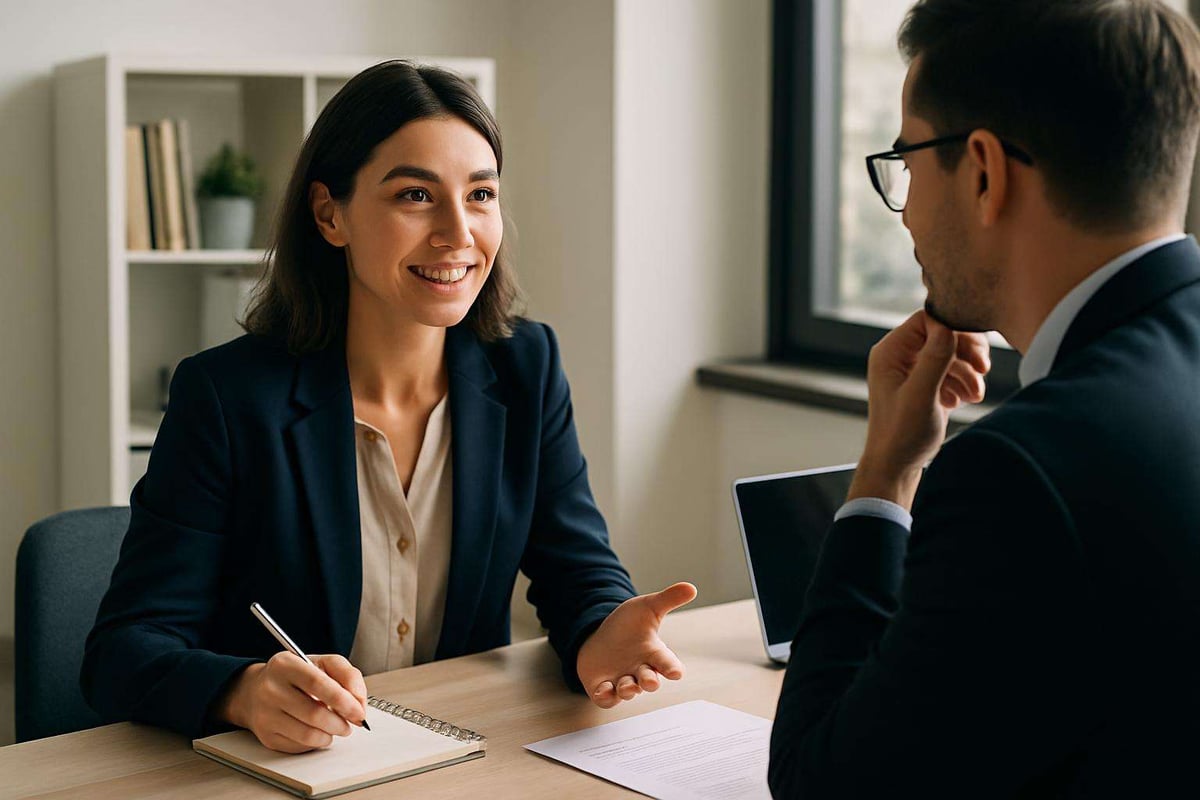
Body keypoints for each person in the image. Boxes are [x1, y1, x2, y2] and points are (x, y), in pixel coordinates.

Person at [82, 60, 697, 753]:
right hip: (279, 771)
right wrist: (241, 691)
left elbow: (576, 568)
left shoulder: (526, 367)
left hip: (460, 755)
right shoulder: (226, 398)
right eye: (415, 195)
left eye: (481, 194)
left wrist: (601, 628)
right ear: (329, 214)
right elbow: (123, 652)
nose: (458, 232)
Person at [768, 1, 1200, 797]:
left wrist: (884, 475)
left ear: (983, 172)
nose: (905, 216)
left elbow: (818, 783)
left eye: (907, 164)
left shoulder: (1021, 474)